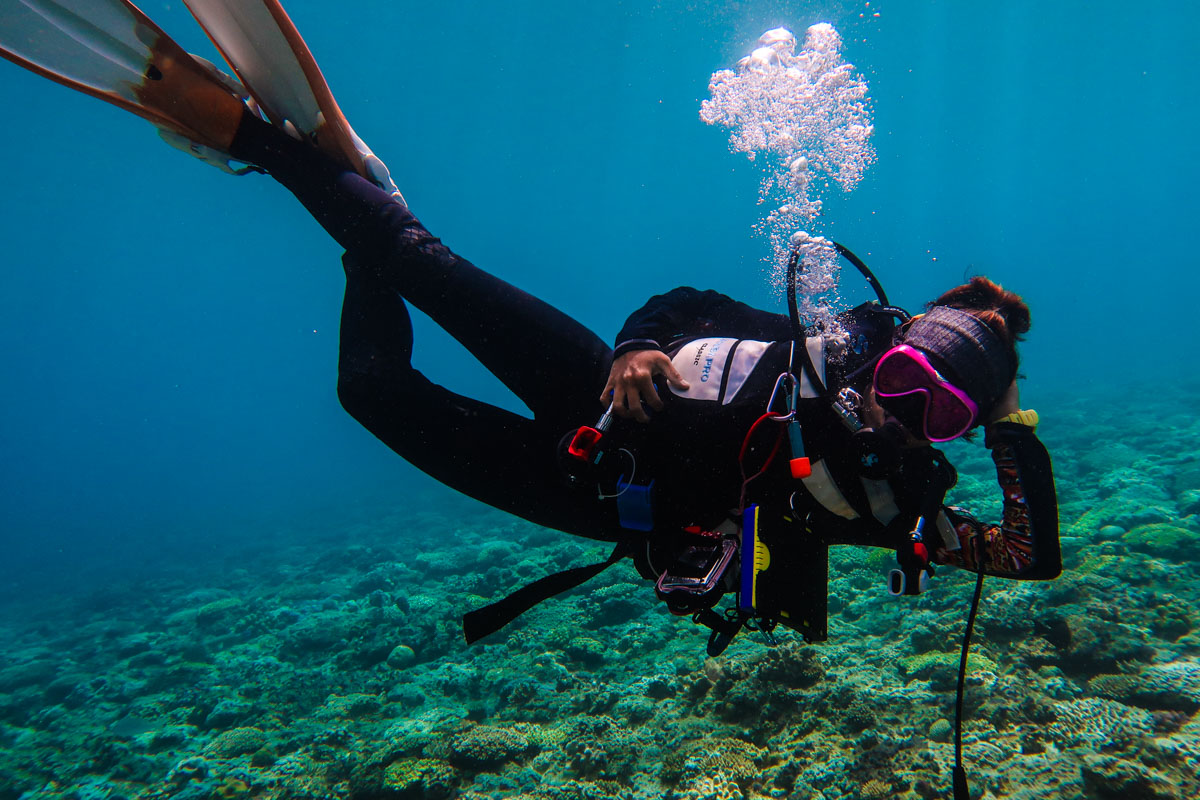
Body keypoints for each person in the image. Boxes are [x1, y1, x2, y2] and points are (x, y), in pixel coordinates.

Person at [1, 0, 1059, 652]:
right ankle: (253, 140)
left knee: (369, 390)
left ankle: (357, 209)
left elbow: (1025, 555)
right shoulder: (819, 346)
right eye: (914, 374)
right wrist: (640, 346)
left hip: (593, 496)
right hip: (606, 386)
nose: (903, 406)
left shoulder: (899, 497)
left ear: (968, 423)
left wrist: (1012, 419)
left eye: (943, 410)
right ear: (900, 340)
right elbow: (687, 304)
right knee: (426, 266)